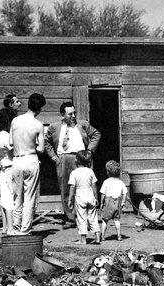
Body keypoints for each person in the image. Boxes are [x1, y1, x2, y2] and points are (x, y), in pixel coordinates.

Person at [44, 101, 101, 229]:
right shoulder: (54, 127)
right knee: (65, 187)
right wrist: (53, 156)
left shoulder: (82, 125)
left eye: (74, 113)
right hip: (63, 158)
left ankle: (86, 218)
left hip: (81, 157)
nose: (73, 116)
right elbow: (46, 141)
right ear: (62, 114)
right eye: (70, 114)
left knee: (85, 186)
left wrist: (90, 151)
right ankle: (70, 218)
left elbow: (96, 134)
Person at [10, 93, 46, 235]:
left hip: (17, 159)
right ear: (40, 108)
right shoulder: (38, 124)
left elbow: (10, 143)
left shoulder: (15, 121)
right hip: (30, 159)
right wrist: (33, 144)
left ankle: (16, 226)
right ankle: (25, 230)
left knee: (17, 196)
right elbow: (41, 149)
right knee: (29, 196)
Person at [67, 150, 101, 245]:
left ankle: (83, 239)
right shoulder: (90, 171)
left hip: (80, 197)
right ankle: (97, 237)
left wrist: (70, 199)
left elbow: (72, 187)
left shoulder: (74, 173)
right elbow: (94, 185)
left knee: (81, 218)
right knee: (93, 217)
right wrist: (96, 197)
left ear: (76, 160)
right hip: (90, 196)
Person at [0, 108, 15, 234]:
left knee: (4, 197)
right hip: (10, 166)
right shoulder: (7, 136)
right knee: (10, 198)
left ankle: (5, 226)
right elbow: (13, 151)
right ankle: (11, 228)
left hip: (2, 167)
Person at [99, 160, 128, 241]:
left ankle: (103, 236)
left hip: (108, 202)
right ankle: (119, 236)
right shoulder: (120, 182)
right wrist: (123, 202)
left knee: (105, 220)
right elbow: (125, 193)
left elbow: (103, 194)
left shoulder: (106, 182)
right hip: (118, 202)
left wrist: (101, 203)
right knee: (117, 220)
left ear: (108, 172)